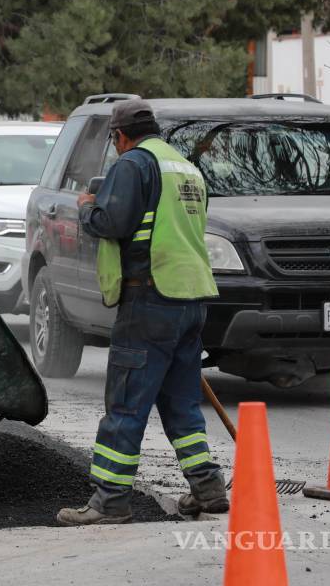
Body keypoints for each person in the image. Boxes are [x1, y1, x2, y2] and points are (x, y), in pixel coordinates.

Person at [56, 100, 226, 526]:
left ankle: (110, 501)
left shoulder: (133, 165)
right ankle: (207, 488)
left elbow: (111, 221)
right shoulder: (184, 167)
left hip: (150, 299)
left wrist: (86, 206)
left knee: (127, 403)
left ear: (119, 136)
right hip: (191, 300)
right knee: (182, 402)